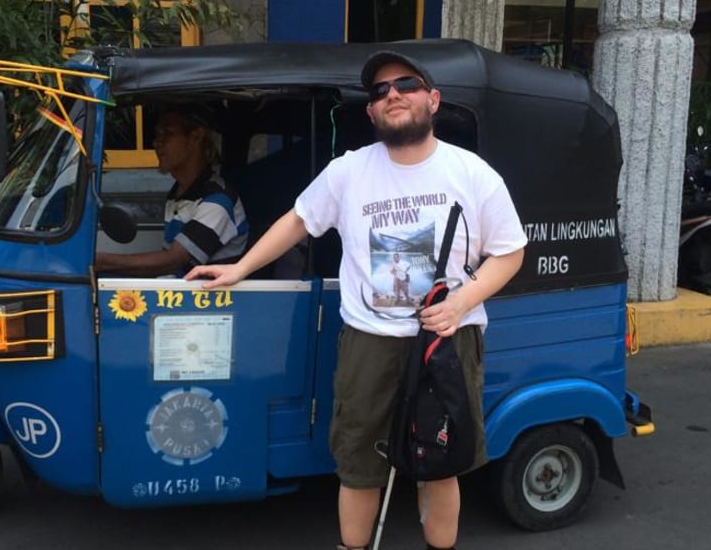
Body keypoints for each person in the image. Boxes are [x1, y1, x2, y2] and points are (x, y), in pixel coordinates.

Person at [187, 51, 527, 550]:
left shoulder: (473, 174)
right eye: (380, 91)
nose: (392, 94)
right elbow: (299, 220)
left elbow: (510, 252)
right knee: (359, 464)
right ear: (370, 112)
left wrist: (461, 303)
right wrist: (241, 267)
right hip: (369, 341)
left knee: (440, 464)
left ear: (432, 100)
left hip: (449, 340)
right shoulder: (348, 171)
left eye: (406, 84)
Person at [95, 107, 248, 276]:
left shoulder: (217, 201)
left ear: (195, 136)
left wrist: (99, 262)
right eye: (158, 134)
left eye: (167, 133)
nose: (156, 142)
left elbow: (173, 261)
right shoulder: (180, 191)